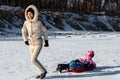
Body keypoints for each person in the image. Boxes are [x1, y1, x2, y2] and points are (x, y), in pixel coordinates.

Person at [22, 5, 49, 79]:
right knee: (34, 60)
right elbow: (23, 31)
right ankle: (40, 73)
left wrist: (46, 41)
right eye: (28, 14)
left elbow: (45, 31)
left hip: (38, 43)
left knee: (33, 59)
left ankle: (43, 71)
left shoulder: (39, 22)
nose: (29, 15)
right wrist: (25, 40)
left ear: (34, 14)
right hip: (31, 44)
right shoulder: (26, 22)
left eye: (30, 13)